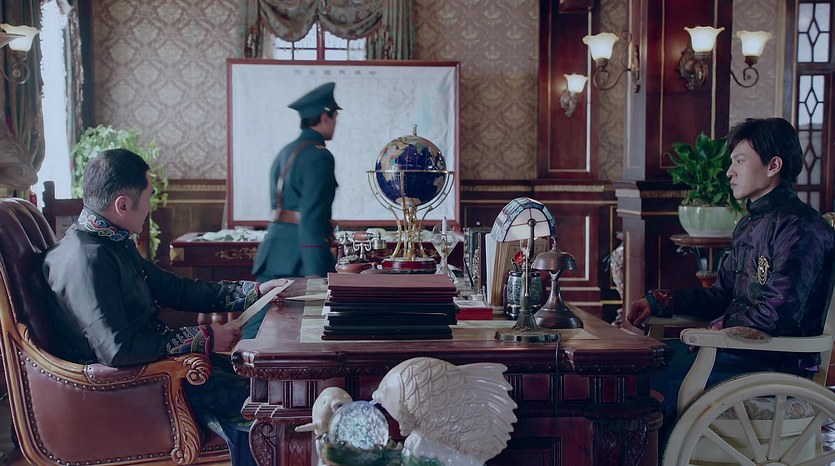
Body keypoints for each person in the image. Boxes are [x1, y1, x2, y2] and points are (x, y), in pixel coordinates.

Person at [43, 148, 288, 466]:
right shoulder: (85, 260)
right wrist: (205, 338)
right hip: (133, 387)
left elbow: (175, 289)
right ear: (123, 205)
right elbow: (117, 351)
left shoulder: (109, 241)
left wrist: (252, 292)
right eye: (148, 198)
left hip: (157, 368)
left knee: (269, 378)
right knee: (273, 399)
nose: (150, 207)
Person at [623, 117, 835, 446]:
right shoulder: (748, 225)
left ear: (773, 166)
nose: (729, 172)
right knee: (633, 371)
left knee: (647, 385)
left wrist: (722, 327)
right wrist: (659, 301)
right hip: (734, 353)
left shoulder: (802, 229)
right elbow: (720, 296)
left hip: (772, 365)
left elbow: (780, 315)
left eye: (739, 161)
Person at [252, 81, 341, 281]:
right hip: (301, 261)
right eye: (335, 117)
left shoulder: (287, 151)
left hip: (274, 255)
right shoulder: (319, 156)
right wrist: (316, 270)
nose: (336, 124)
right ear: (325, 117)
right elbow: (311, 216)